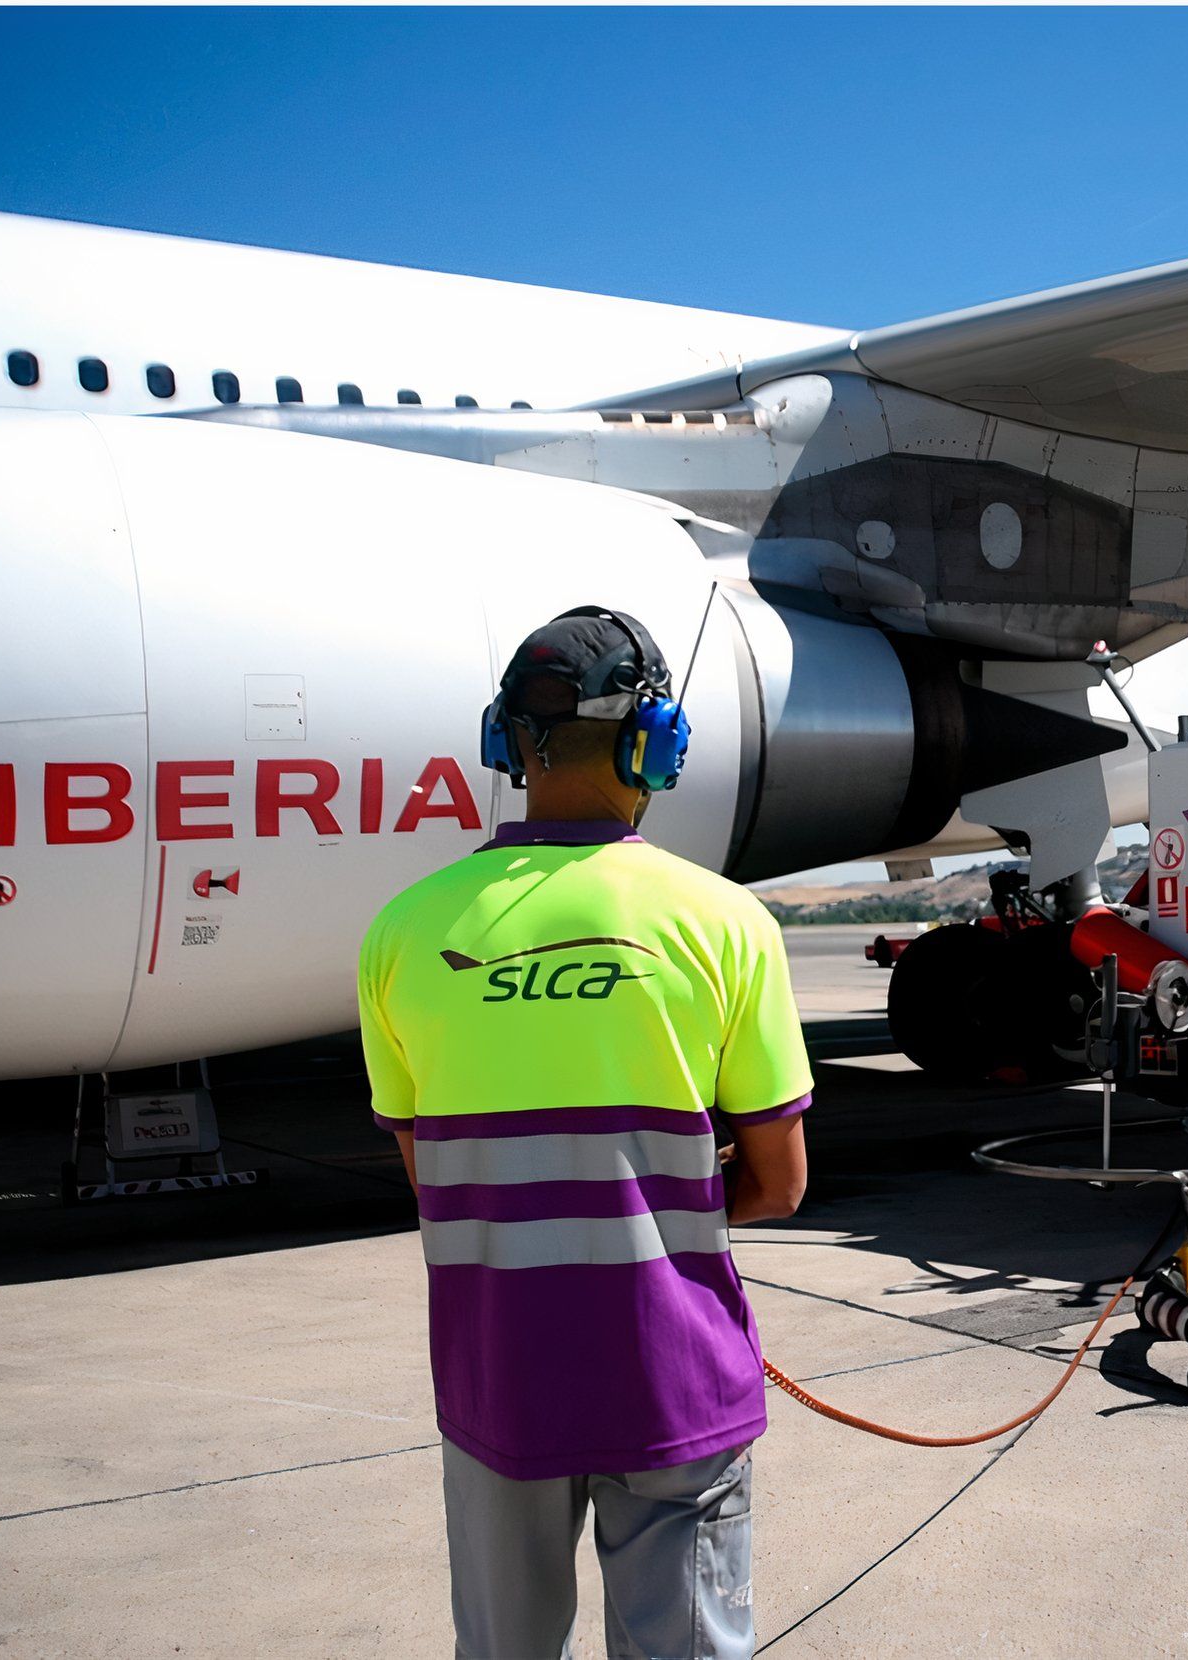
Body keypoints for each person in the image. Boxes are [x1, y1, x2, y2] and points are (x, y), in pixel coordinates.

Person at [357, 606, 811, 1660]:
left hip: (496, 1376)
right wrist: (665, 1213)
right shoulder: (724, 921)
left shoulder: (402, 929)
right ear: (656, 741)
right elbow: (779, 1182)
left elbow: (433, 1177)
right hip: (673, 1378)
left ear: (506, 743)